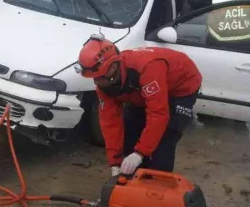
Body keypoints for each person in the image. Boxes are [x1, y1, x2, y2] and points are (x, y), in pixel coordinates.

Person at [76, 37, 202, 175]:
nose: (97, 82)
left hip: (181, 87)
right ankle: (135, 179)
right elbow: (110, 122)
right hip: (144, 89)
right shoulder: (104, 86)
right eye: (94, 78)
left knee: (164, 140)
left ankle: (158, 185)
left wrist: (140, 154)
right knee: (130, 131)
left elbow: (158, 115)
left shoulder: (147, 67)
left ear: (112, 67)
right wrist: (115, 162)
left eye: (99, 76)